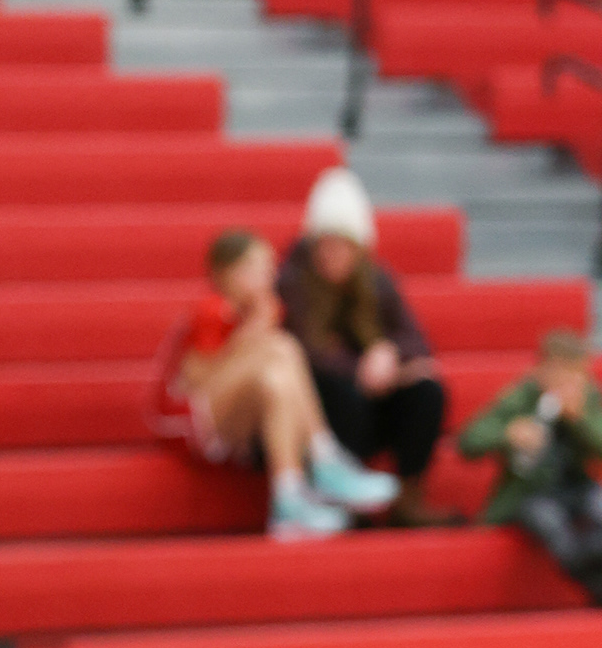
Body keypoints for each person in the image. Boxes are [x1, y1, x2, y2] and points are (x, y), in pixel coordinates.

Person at [150, 228, 398, 539]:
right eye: (258, 269)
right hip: (190, 422)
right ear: (228, 274)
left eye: (270, 268)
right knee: (281, 346)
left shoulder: (257, 310)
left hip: (227, 419)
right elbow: (199, 381)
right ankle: (323, 457)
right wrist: (254, 331)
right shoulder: (212, 309)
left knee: (275, 382)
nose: (270, 276)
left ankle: (289, 494)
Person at [278, 167, 452, 528]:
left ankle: (408, 498)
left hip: (373, 394)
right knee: (341, 393)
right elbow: (306, 350)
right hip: (322, 404)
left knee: (427, 391)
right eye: (324, 244)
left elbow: (415, 339)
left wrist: (388, 354)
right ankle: (343, 495)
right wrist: (362, 369)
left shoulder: (376, 279)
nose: (331, 254)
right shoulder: (293, 280)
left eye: (341, 245)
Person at [458, 330, 602, 598]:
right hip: (529, 493)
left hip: (578, 487)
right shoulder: (522, 398)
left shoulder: (587, 397)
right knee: (552, 525)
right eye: (560, 375)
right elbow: (468, 442)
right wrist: (508, 433)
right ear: (541, 371)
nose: (567, 384)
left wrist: (580, 419)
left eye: (574, 376)